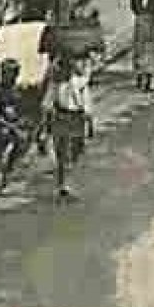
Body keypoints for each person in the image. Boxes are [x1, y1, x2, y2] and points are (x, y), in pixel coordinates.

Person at [45, 51, 92, 201]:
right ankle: (63, 185)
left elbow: (86, 104)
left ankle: (65, 183)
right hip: (62, 117)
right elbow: (47, 104)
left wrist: (89, 122)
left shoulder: (79, 82)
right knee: (63, 153)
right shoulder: (56, 83)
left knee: (74, 151)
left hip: (75, 118)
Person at [0, 58, 27, 188]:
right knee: (3, 150)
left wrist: (19, 123)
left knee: (15, 146)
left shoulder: (18, 91)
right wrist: (4, 122)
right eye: (6, 73)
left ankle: (4, 173)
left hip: (13, 124)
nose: (9, 76)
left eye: (12, 73)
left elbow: (22, 110)